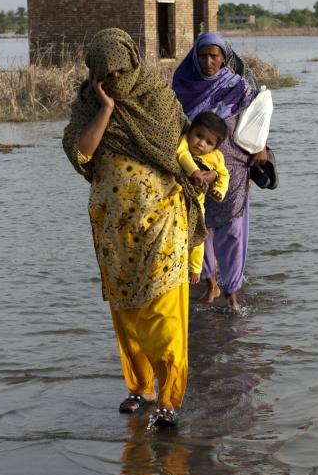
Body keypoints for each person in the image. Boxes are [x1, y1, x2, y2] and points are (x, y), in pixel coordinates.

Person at [62, 28, 205, 428]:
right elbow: (82, 153)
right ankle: (140, 387)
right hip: (113, 229)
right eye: (106, 75)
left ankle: (170, 397)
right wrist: (105, 109)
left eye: (121, 71)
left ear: (133, 63)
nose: (116, 80)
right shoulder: (87, 106)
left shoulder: (158, 98)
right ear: (94, 74)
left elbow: (176, 149)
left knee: (162, 311)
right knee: (127, 311)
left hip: (163, 221)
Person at [172, 32, 268, 312]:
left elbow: (256, 122)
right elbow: (173, 127)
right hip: (193, 170)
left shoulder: (237, 87)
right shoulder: (181, 85)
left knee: (233, 231)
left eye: (214, 56)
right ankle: (210, 282)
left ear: (225, 59)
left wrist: (261, 147)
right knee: (197, 226)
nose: (208, 61)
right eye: (203, 55)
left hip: (233, 170)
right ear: (195, 56)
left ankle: (232, 291)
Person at [176, 111, 230, 285]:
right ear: (190, 131)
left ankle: (196, 269)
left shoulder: (216, 157)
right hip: (177, 199)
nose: (201, 144)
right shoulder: (183, 142)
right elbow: (181, 155)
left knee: (198, 236)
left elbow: (224, 175)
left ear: (215, 147)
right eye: (198, 136)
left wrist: (219, 191)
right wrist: (195, 171)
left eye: (209, 142)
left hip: (198, 202)